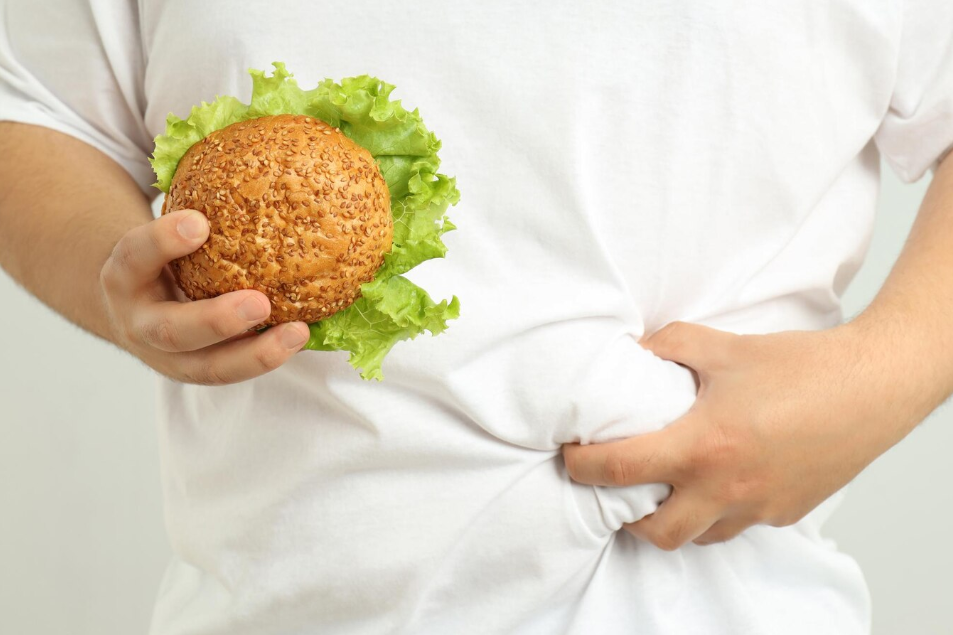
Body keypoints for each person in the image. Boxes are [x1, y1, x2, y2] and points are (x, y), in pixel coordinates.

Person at [1, 1, 951, 633]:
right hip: (281, 605)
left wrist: (882, 376)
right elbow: (33, 106)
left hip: (729, 601)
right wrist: (118, 275)